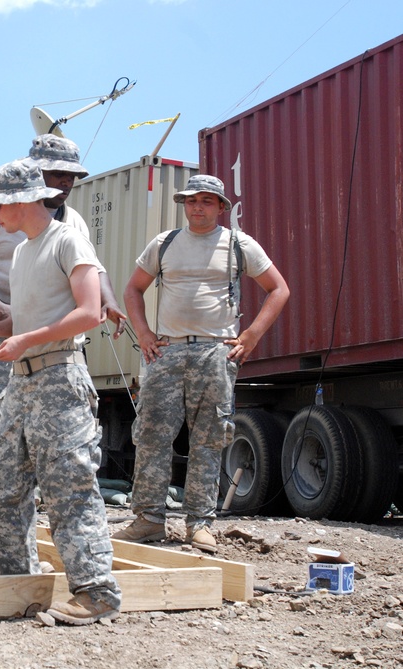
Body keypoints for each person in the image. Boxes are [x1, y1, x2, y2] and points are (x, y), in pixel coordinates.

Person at [0, 134, 126, 567]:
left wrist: (108, 300)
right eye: (53, 174)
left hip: (36, 338)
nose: (61, 184)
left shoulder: (69, 227)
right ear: (32, 174)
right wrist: (2, 315)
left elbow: (90, 271)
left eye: (70, 176)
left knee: (17, 450)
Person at [0, 159, 122, 625]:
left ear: (22, 200)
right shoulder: (22, 252)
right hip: (23, 381)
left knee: (69, 489)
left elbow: (91, 312)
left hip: (60, 378)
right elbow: (32, 313)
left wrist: (24, 340)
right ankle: (16, 584)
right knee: (7, 485)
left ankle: (97, 592)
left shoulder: (67, 240)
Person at [113, 174, 289, 553]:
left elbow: (278, 288)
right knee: (151, 436)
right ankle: (148, 520)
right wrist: (144, 333)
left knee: (208, 440)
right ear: (183, 205)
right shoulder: (165, 244)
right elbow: (133, 289)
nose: (198, 207)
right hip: (167, 351)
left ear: (221, 207)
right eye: (192, 201)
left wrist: (251, 336)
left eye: (207, 201)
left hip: (215, 352)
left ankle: (199, 524)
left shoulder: (238, 245)